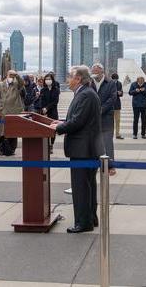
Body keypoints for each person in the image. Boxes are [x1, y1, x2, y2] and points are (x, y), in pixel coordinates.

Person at [51, 65, 103, 233]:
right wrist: (62, 122)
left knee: (81, 188)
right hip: (86, 148)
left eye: (70, 77)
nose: (68, 80)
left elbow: (78, 121)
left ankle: (83, 223)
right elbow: (77, 118)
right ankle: (90, 218)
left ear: (78, 78)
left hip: (83, 150)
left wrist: (58, 128)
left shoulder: (85, 94)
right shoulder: (85, 93)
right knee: (88, 186)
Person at [90, 64, 118, 176]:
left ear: (102, 72)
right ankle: (96, 165)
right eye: (93, 72)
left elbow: (112, 98)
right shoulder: (90, 83)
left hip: (106, 117)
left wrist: (101, 109)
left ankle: (111, 166)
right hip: (92, 118)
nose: (94, 74)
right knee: (94, 142)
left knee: (107, 142)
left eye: (96, 72)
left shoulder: (110, 83)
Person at [0, 70, 24, 156]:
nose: (11, 77)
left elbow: (22, 83)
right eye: (10, 75)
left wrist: (17, 75)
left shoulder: (16, 84)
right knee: (3, 132)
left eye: (13, 75)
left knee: (13, 131)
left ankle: (12, 149)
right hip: (3, 111)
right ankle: (2, 149)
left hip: (14, 111)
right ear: (6, 75)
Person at [40, 72, 60, 154]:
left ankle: (51, 145)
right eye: (46, 79)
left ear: (52, 80)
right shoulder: (43, 90)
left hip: (53, 112)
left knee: (53, 129)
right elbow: (42, 100)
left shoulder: (56, 89)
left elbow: (55, 101)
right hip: (44, 112)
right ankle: (46, 145)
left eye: (49, 79)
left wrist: (47, 108)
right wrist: (43, 108)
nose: (48, 80)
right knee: (45, 129)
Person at [111, 73, 124, 140]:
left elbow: (121, 93)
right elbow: (108, 93)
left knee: (118, 120)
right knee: (110, 121)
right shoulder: (109, 83)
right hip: (110, 105)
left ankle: (117, 134)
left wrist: (120, 93)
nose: (115, 81)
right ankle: (110, 134)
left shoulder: (119, 83)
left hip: (117, 104)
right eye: (114, 80)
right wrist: (116, 93)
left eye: (116, 80)